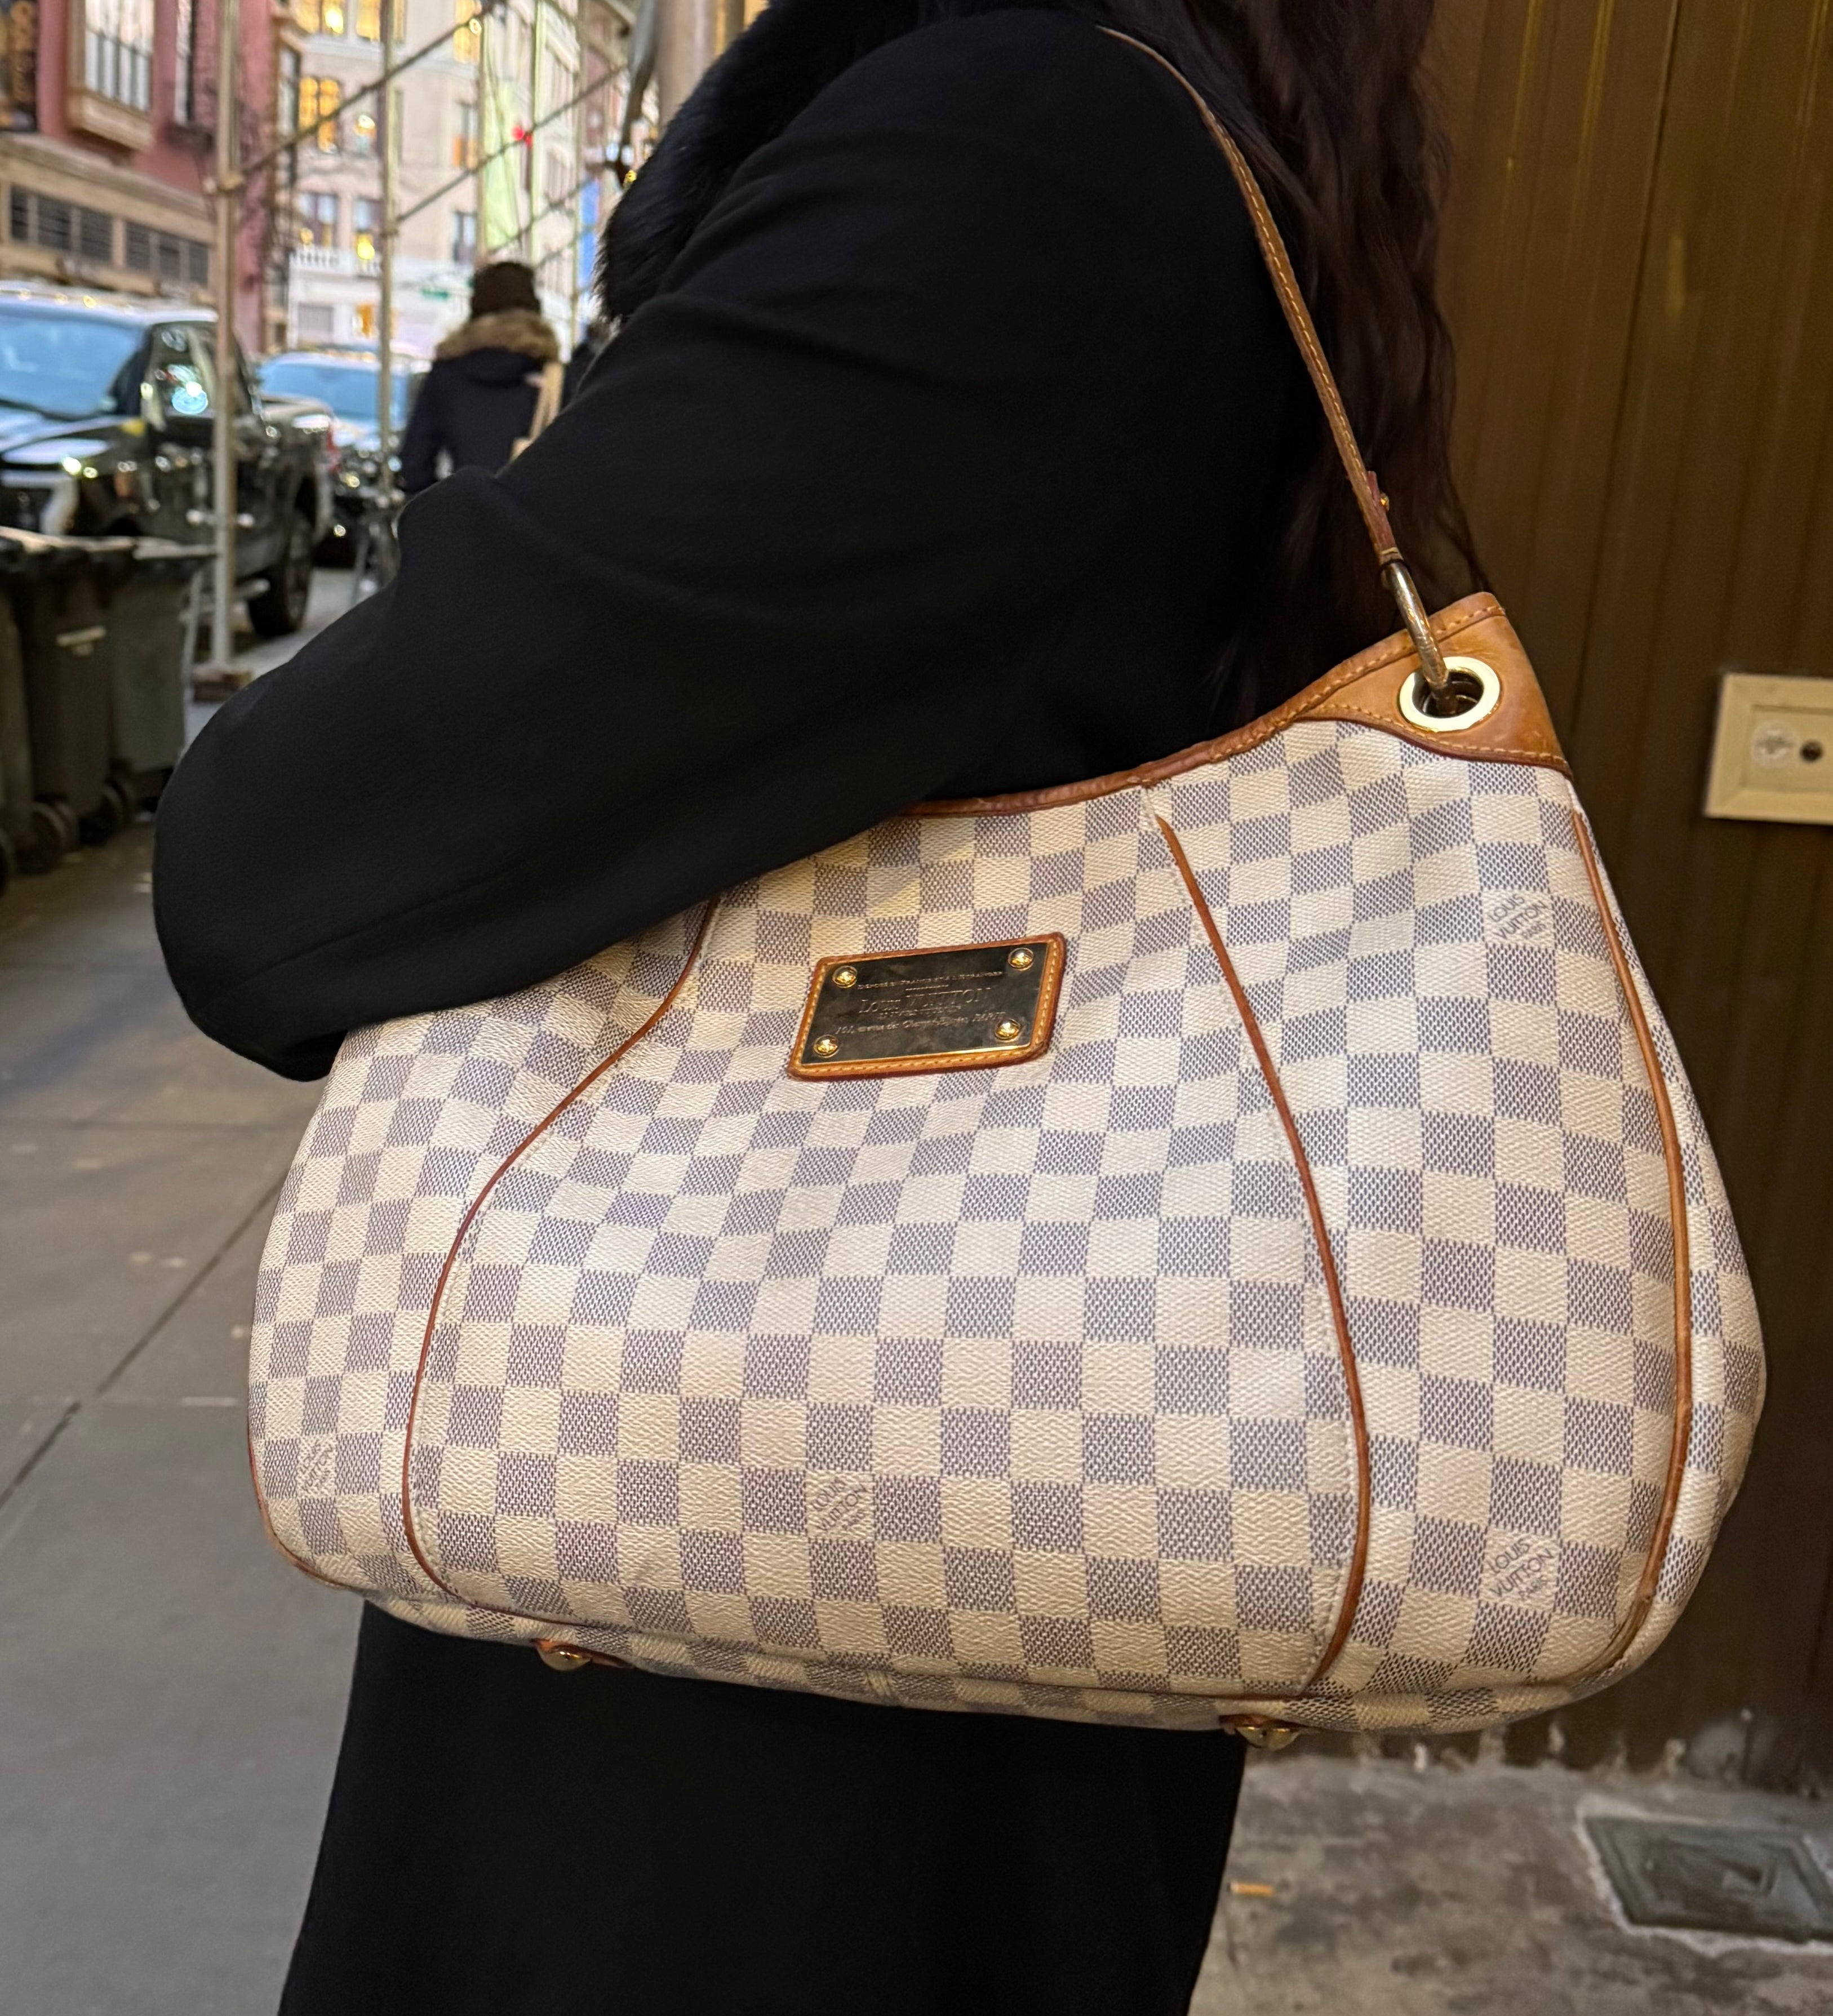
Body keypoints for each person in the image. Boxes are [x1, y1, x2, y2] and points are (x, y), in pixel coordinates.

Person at [154, 0, 1477, 2009]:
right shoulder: (1184, 138)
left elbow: (280, 858)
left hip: (731, 1701)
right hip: (977, 1513)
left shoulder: (1016, 149)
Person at [397, 260, 560, 494]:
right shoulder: (555, 377)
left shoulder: (448, 372)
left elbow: (415, 463)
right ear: (535, 306)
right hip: (533, 512)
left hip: (466, 509)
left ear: (475, 306)